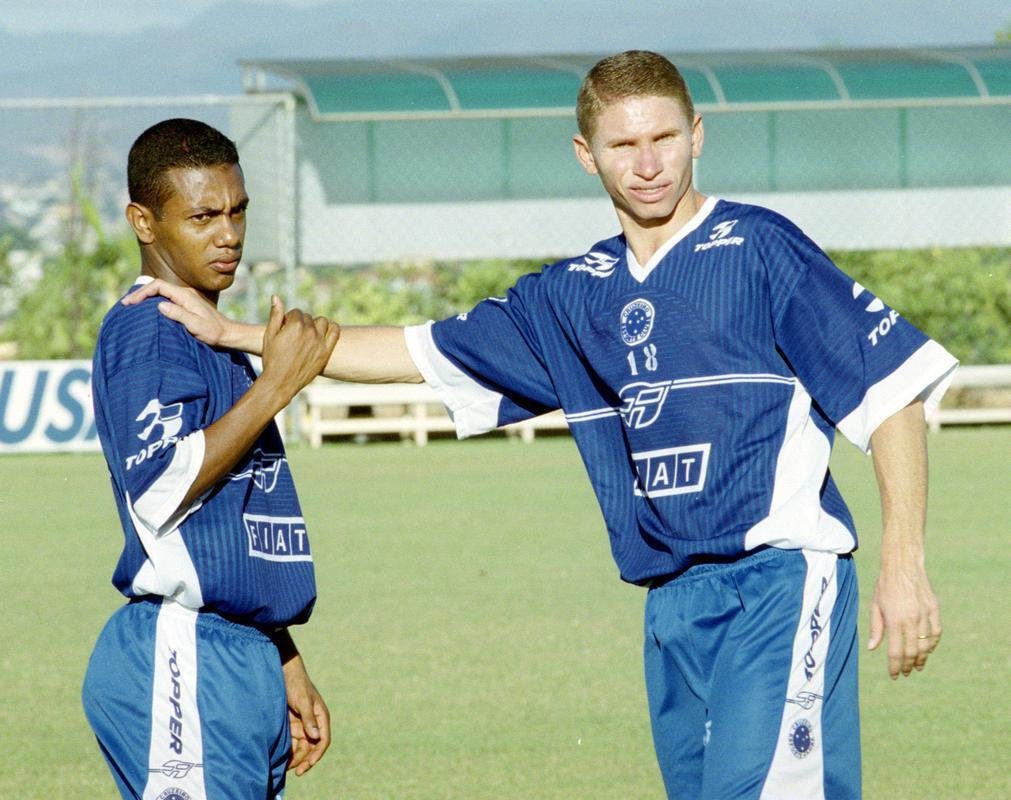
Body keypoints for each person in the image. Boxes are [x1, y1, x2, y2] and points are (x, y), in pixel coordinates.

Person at [125, 53, 958, 799]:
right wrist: (241, 337)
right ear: (584, 154)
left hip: (777, 583)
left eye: (663, 139)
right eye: (623, 146)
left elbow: (888, 394)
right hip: (670, 606)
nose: (647, 165)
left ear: (697, 136)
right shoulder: (573, 294)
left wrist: (904, 565)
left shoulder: (760, 248)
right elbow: (422, 350)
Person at [83, 118, 339, 799]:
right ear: (144, 221)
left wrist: (281, 655)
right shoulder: (148, 326)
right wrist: (277, 384)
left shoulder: (209, 334)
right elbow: (163, 488)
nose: (227, 234)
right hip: (183, 654)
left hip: (238, 655)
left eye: (236, 212)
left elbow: (224, 527)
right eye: (201, 216)